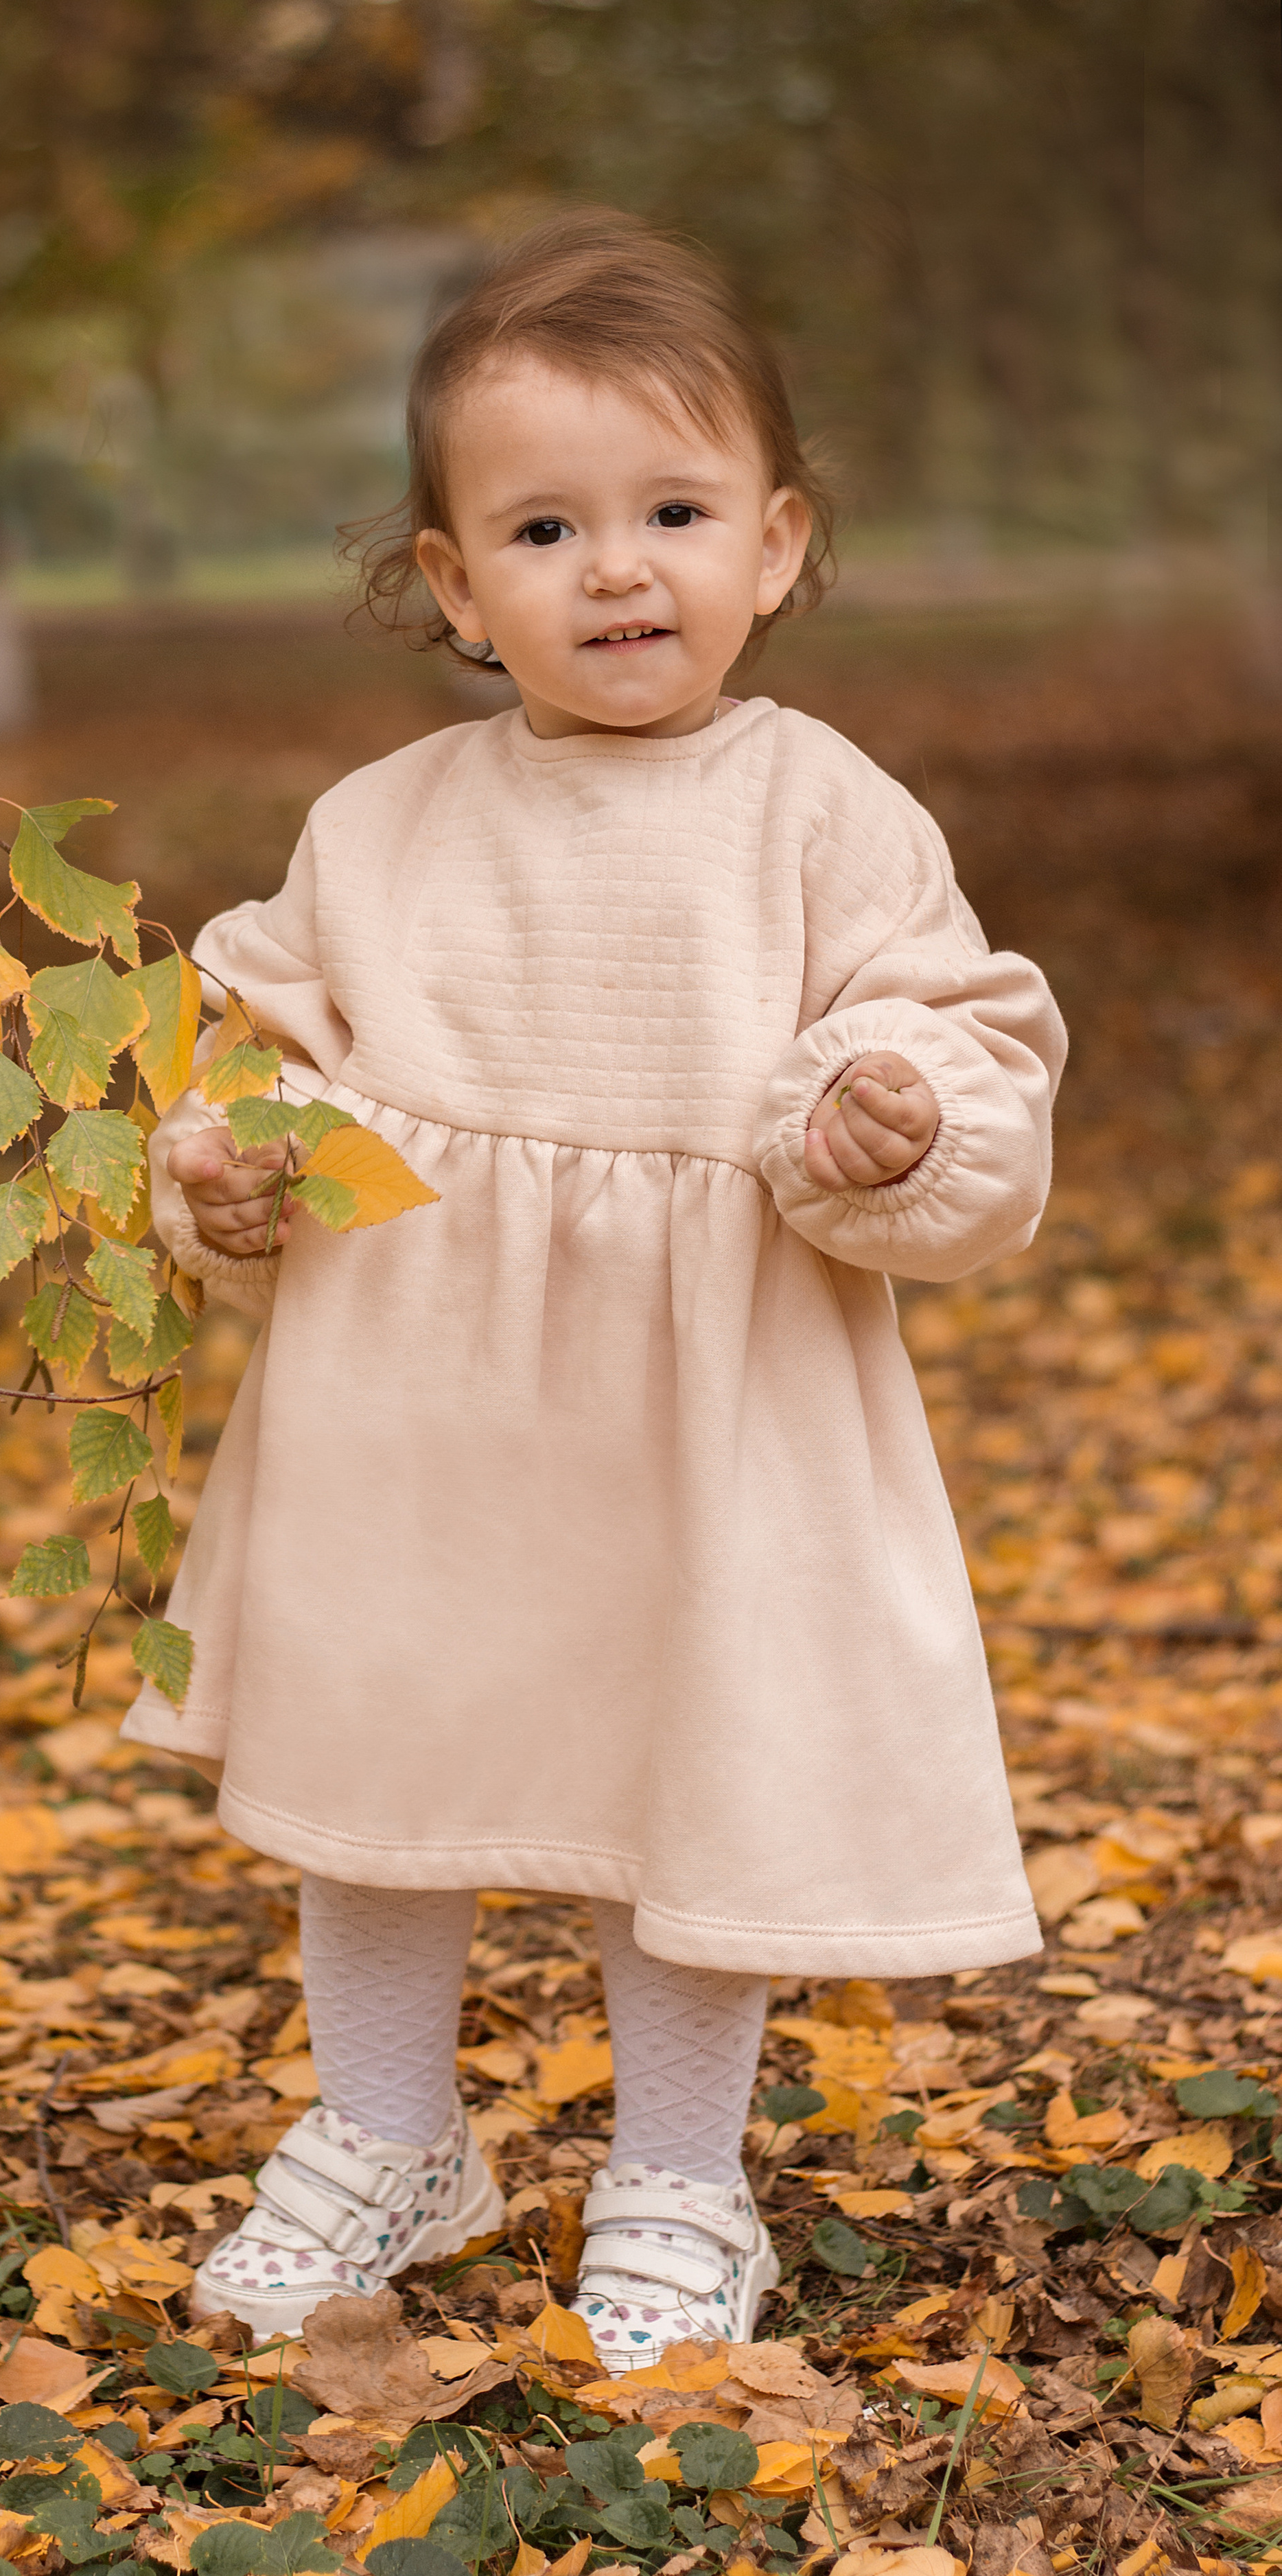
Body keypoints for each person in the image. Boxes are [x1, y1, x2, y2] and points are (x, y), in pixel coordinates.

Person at [120, 211, 1065, 2372]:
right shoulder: (384, 827)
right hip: (419, 1421)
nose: (617, 567)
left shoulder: (824, 815)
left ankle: (675, 2174)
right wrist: (229, 1170)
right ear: (457, 585)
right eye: (545, 526)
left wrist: (898, 1120)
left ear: (780, 541)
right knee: (378, 1766)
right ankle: (386, 2132)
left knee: (682, 1769)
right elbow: (247, 1043)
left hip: (700, 1414)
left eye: (673, 512)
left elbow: (957, 1045)